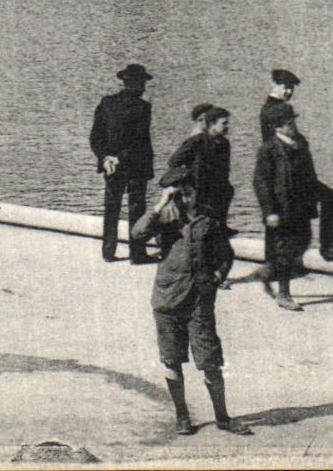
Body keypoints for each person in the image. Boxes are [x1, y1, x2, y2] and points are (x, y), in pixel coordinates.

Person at [143, 179, 253, 437]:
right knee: (171, 359)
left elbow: (226, 253)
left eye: (191, 193)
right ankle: (182, 417)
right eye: (181, 194)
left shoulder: (209, 221)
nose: (187, 198)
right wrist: (159, 205)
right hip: (168, 299)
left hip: (199, 301)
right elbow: (137, 233)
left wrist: (217, 276)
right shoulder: (166, 219)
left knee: (210, 360)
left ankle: (223, 418)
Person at [253, 111, 324, 311]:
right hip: (281, 207)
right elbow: (261, 182)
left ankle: (270, 272)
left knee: (304, 241)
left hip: (301, 206)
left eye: (293, 122)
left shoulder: (301, 143)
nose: (293, 126)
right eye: (289, 123)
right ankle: (284, 294)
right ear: (278, 128)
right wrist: (269, 211)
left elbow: (310, 173)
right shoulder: (269, 149)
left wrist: (314, 198)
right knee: (285, 249)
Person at [90, 63, 157, 263]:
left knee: (111, 207)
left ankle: (108, 252)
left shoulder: (106, 103)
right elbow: (138, 141)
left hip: (111, 165)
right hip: (136, 165)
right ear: (137, 84)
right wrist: (119, 158)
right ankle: (137, 253)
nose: (145, 87)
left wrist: (105, 158)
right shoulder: (143, 108)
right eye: (143, 82)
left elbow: (95, 137)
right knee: (136, 208)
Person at [162, 104, 235, 222]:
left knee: (217, 228)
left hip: (219, 193)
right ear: (211, 124)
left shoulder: (224, 143)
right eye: (224, 123)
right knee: (198, 227)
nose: (228, 126)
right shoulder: (196, 141)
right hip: (199, 193)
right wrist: (189, 181)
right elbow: (174, 162)